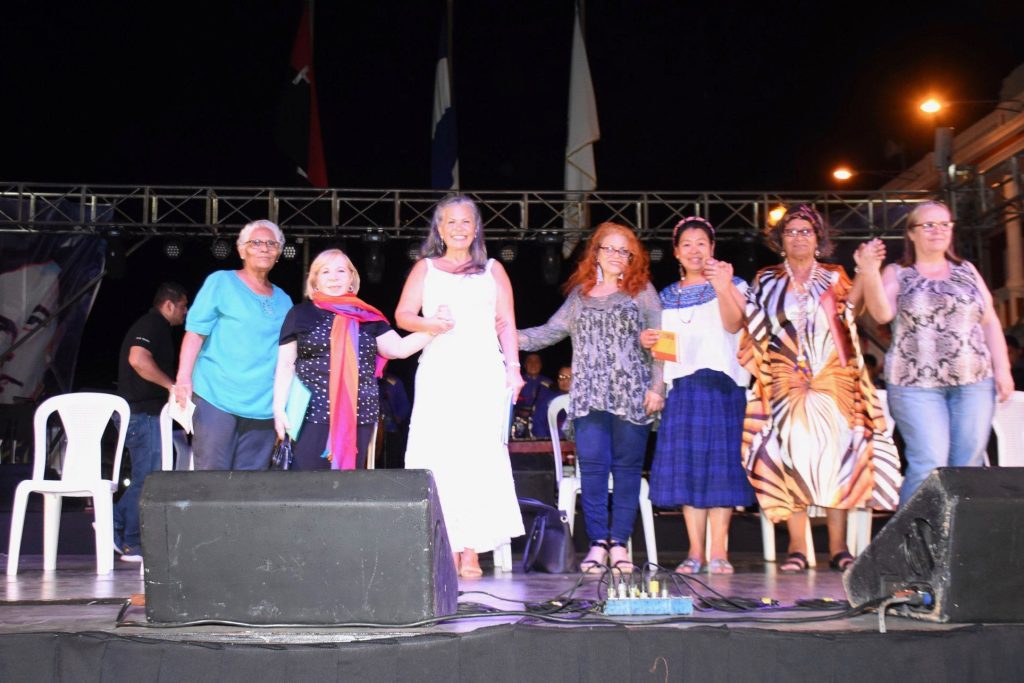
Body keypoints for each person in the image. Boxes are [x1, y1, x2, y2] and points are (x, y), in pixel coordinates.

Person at [743, 205, 901, 573]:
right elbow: (752, 325)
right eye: (791, 232)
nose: (798, 237)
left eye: (806, 231)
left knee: (838, 458)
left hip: (833, 379)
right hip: (784, 380)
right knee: (790, 456)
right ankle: (798, 547)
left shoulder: (834, 275)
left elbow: (852, 309)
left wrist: (863, 270)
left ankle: (838, 547)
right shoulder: (765, 279)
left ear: (818, 240)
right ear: (780, 241)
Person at [519, 222, 664, 573]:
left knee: (627, 470)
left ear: (633, 257)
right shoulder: (579, 296)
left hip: (632, 394)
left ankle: (620, 544)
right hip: (588, 396)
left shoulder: (642, 291)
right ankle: (598, 543)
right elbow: (547, 333)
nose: (615, 255)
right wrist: (503, 334)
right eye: (608, 248)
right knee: (594, 470)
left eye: (623, 250)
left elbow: (662, 342)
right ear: (595, 253)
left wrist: (657, 388)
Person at [396, 195, 525, 578]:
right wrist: (430, 324)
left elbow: (507, 323)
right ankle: (447, 547)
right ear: (439, 228)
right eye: (450, 222)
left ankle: (472, 551)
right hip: (440, 372)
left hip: (483, 372)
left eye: (465, 221)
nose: (458, 228)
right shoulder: (425, 268)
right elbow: (403, 315)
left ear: (476, 228)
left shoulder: (493, 270)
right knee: (441, 458)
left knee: (479, 459)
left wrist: (514, 369)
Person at [872, 201, 1014, 505]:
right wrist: (870, 272)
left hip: (974, 380)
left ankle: (958, 533)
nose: (938, 231)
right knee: (929, 461)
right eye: (928, 225)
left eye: (945, 224)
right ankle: (914, 534)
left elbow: (989, 321)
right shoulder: (898, 272)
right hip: (914, 384)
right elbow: (881, 314)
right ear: (911, 233)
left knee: (968, 465)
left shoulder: (967, 271)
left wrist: (1002, 369)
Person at [641, 217, 754, 575]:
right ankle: (694, 552)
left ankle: (719, 551)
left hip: (724, 387)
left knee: (722, 469)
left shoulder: (734, 283)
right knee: (688, 471)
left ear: (712, 248)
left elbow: (735, 324)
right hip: (683, 389)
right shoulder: (665, 297)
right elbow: (665, 351)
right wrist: (649, 342)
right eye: (687, 244)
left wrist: (722, 286)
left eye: (701, 243)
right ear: (676, 252)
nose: (694, 250)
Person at [272, 249, 432, 470]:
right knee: (306, 483)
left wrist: (434, 328)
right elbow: (285, 365)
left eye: (340, 271)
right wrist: (278, 410)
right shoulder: (300, 314)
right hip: (311, 414)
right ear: (315, 281)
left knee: (346, 485)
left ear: (351, 279)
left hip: (359, 415)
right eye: (325, 272)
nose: (334, 277)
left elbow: (399, 349)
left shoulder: (368, 317)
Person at [174, 220, 293, 470]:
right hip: (217, 398)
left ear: (278, 253)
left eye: (271, 244)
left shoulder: (284, 300)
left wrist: (285, 405)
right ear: (241, 250)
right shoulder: (221, 282)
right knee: (212, 480)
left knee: (249, 485)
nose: (264, 248)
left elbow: (289, 357)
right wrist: (183, 378)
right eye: (256, 242)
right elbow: (195, 334)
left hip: (264, 407)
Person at [113, 282, 188, 561]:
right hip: (141, 414)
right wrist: (171, 386)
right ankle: (131, 541)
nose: (186, 312)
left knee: (147, 477)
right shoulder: (152, 324)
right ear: (168, 304)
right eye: (183, 306)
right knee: (148, 479)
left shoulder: (158, 328)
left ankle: (113, 522)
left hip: (144, 414)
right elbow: (138, 359)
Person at [518, 353, 556, 439]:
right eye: (530, 361)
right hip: (520, 423)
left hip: (544, 425)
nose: (533, 364)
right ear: (525, 365)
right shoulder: (518, 382)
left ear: (541, 365)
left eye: (536, 361)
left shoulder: (550, 384)